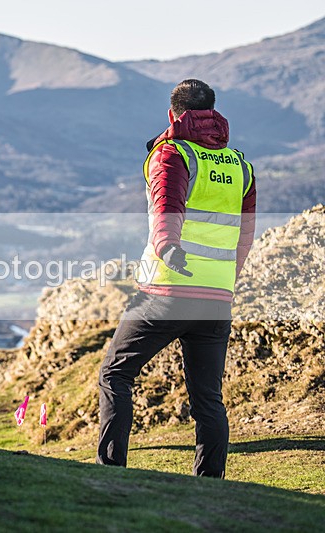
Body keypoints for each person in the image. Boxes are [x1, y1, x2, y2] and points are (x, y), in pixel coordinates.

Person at [97, 79, 256, 478]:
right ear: (213, 113)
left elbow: (167, 208)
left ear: (174, 113)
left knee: (116, 374)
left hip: (166, 290)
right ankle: (210, 482)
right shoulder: (240, 166)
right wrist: (226, 282)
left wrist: (168, 247)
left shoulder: (173, 153)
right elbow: (245, 235)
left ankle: (110, 470)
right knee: (208, 398)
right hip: (217, 297)